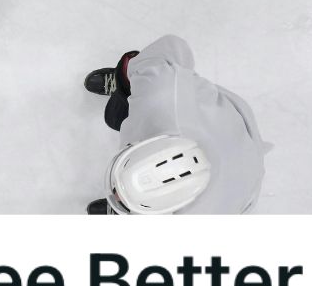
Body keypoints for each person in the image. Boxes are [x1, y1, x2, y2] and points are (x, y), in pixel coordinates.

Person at [84, 35, 268, 214]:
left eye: (119, 199)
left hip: (244, 179)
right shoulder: (162, 94)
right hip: (231, 128)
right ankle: (126, 84)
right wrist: (132, 74)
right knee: (117, 113)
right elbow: (172, 47)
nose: (115, 196)